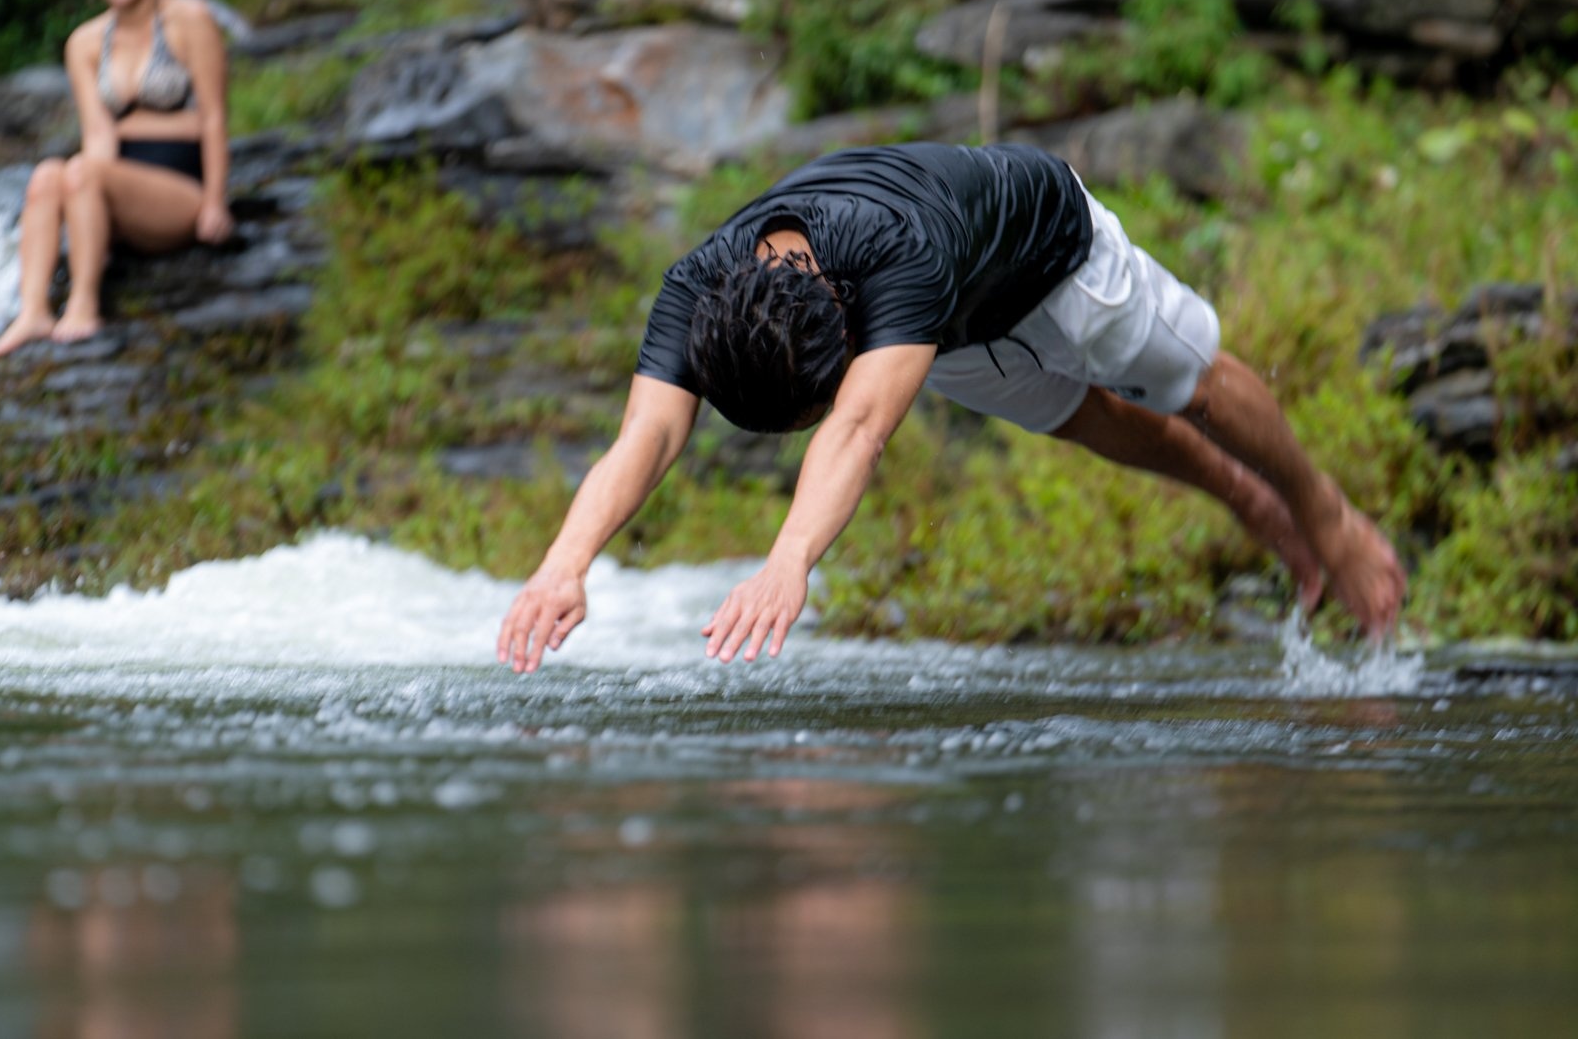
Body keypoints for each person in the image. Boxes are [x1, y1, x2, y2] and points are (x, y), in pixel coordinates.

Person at [496, 142, 1408, 673]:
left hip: (1053, 251)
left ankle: (1321, 509)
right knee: (1090, 420)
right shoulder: (699, 286)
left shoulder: (896, 255)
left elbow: (858, 426)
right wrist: (563, 564)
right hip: (952, 332)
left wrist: (788, 557)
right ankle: (1247, 501)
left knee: (1189, 383)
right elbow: (647, 433)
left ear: (849, 336)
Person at [0, 0, 236, 359]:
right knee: (49, 174)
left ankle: (84, 304)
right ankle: (34, 312)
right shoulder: (84, 43)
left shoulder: (190, 20)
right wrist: (82, 197)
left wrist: (216, 203)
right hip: (116, 187)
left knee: (83, 172)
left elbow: (214, 116)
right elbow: (99, 134)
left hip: (181, 191)